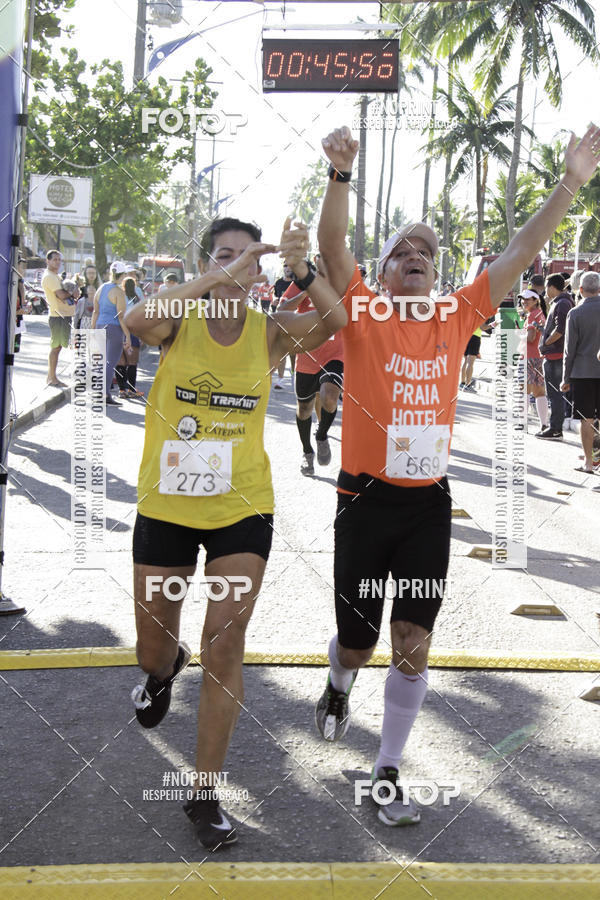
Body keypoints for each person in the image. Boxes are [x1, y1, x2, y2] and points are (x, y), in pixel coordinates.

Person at [314, 123, 600, 828]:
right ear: (380, 274)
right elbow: (331, 248)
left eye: (427, 252)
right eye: (401, 252)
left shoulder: (457, 312)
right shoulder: (365, 311)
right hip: (363, 497)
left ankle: (386, 770)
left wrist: (570, 183)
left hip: (426, 505)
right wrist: (340, 175)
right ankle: (339, 680)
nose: (416, 257)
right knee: (360, 639)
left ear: (437, 274)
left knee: (412, 639)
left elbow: (521, 251)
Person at [125, 215, 346, 851]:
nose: (232, 265)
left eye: (245, 257)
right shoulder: (177, 319)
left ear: (258, 271)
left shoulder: (270, 331)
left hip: (242, 510)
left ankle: (204, 792)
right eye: (222, 254)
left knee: (224, 644)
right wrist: (213, 275)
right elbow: (139, 321)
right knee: (151, 649)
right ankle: (164, 671)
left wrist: (303, 271)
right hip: (166, 505)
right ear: (207, 264)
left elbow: (337, 325)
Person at [278, 254, 344, 475]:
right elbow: (283, 309)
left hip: (335, 353)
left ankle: (322, 435)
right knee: (304, 409)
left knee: (329, 397)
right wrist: (308, 290)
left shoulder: (344, 283)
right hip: (307, 355)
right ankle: (307, 453)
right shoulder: (300, 284)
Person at [561, 271, 600, 474]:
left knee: (586, 419)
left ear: (581, 290)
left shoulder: (575, 313)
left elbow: (570, 349)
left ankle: (588, 462)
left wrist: (565, 378)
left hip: (582, 372)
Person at [537, 273, 574, 439]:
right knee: (553, 394)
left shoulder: (563, 303)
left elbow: (560, 329)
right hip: (552, 356)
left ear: (552, 286)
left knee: (555, 394)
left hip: (556, 356)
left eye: (546, 286)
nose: (545, 290)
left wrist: (546, 344)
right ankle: (554, 426)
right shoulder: (558, 302)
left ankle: (556, 428)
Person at [91, 261, 131, 406]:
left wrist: (93, 329)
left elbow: (96, 311)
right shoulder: (118, 292)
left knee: (101, 362)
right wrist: (127, 335)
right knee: (110, 363)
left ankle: (98, 392)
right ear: (123, 275)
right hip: (114, 329)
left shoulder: (101, 288)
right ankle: (104, 394)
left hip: (100, 325)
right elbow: (121, 316)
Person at [41, 249, 79, 387]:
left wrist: (72, 291)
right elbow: (62, 295)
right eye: (54, 259)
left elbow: (71, 293)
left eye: (59, 259)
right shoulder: (49, 277)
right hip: (58, 316)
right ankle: (52, 378)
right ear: (48, 260)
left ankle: (51, 377)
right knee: (56, 347)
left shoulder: (55, 276)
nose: (57, 262)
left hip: (64, 315)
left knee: (58, 347)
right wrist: (72, 292)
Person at [518, 289, 548, 434]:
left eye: (527, 299)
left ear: (536, 300)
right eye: (523, 299)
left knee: (524, 390)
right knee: (539, 391)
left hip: (528, 356)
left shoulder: (532, 316)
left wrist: (518, 334)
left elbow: (530, 338)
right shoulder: (539, 314)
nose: (524, 301)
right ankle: (544, 424)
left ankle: (523, 424)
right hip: (539, 357)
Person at [115, 276, 145, 399]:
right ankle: (131, 389)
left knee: (120, 362)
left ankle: (122, 390)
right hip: (132, 331)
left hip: (118, 329)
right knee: (132, 362)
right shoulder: (137, 299)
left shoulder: (119, 296)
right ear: (134, 286)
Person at [74, 263, 100, 330]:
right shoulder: (80, 288)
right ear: (85, 274)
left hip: (97, 321)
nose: (91, 275)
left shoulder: (100, 288)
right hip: (83, 321)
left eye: (93, 273)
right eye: (89, 273)